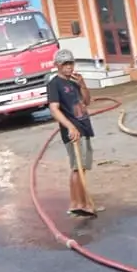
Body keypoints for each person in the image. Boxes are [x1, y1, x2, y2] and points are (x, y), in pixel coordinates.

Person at [47, 49, 98, 217]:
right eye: (65, 64)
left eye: (70, 63)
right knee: (78, 168)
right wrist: (70, 127)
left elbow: (86, 101)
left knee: (81, 167)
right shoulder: (54, 84)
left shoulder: (74, 82)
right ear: (57, 66)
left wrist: (83, 84)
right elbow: (54, 109)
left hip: (83, 127)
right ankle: (77, 203)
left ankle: (82, 202)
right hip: (74, 130)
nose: (68, 67)